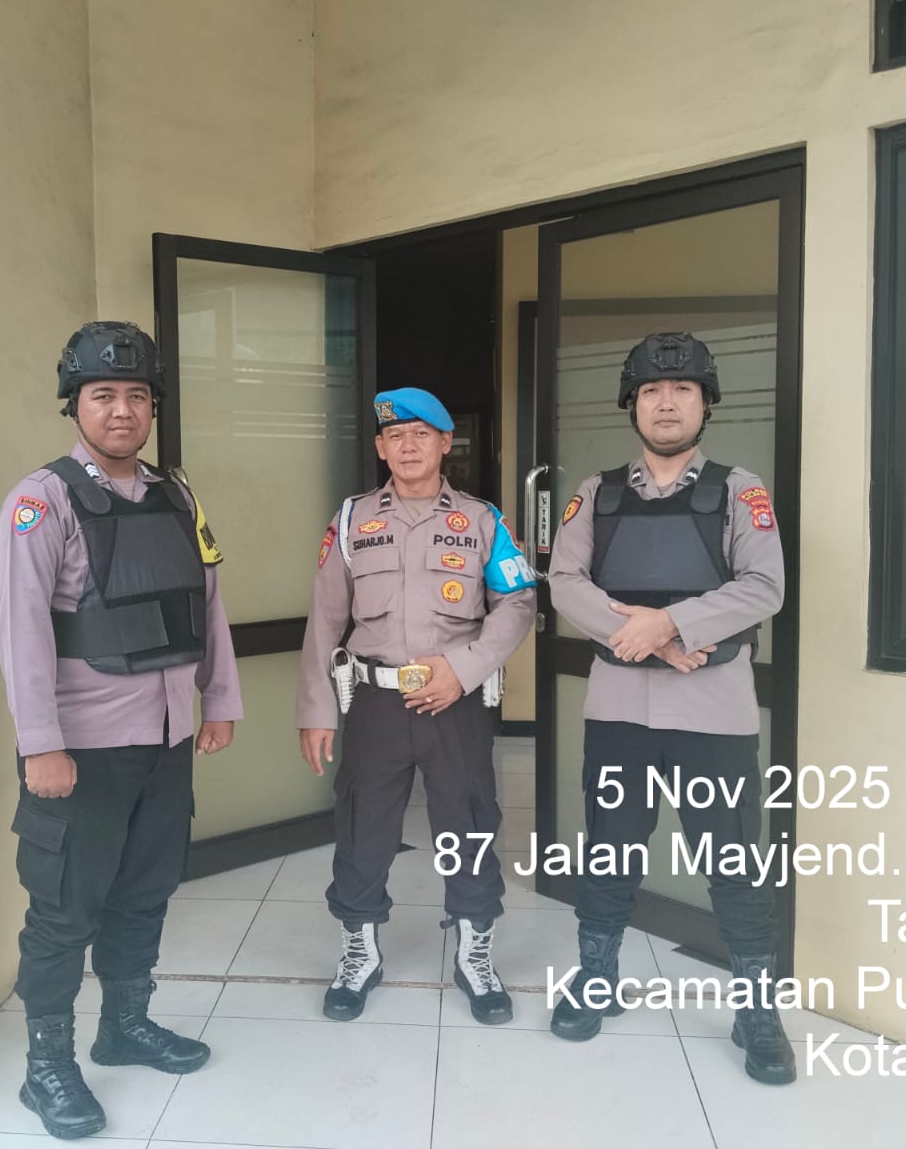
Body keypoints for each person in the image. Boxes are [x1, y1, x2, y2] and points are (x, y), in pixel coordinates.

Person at [0, 320, 243, 1138]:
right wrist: (40, 743)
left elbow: (206, 604)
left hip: (165, 740)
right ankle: (46, 1066)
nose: (122, 410)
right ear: (75, 404)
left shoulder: (177, 496)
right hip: (81, 750)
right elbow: (22, 629)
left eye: (138, 395)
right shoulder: (42, 501)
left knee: (145, 892)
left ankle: (125, 1025)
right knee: (64, 910)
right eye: (103, 394)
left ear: (153, 407)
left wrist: (219, 698)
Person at [545, 332, 794, 1085]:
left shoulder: (739, 490)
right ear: (632, 405)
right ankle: (596, 978)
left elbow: (764, 587)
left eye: (683, 389)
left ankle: (757, 1012)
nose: (666, 402)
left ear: (705, 403)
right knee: (610, 850)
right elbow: (564, 582)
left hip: (713, 715)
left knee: (732, 863)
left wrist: (670, 624)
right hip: (618, 712)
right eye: (651, 390)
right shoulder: (596, 494)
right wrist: (650, 639)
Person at [296, 387, 536, 1025]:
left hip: (454, 702)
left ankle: (475, 952)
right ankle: (360, 951)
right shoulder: (352, 521)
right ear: (380, 447)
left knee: (469, 824)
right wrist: (316, 708)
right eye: (395, 436)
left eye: (421, 434)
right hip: (376, 703)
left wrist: (464, 669)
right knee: (363, 827)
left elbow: (517, 604)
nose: (407, 446)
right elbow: (325, 619)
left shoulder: (482, 521)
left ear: (444, 443)